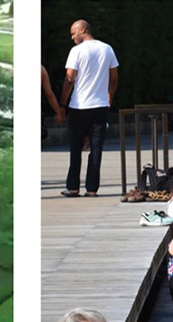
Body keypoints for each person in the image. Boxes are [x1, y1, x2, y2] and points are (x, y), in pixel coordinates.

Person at [60, 20, 119, 198]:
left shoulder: (76, 51)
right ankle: (92, 189)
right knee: (96, 147)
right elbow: (114, 77)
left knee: (75, 148)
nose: (72, 38)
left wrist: (62, 103)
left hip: (79, 105)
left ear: (83, 30)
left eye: (73, 33)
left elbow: (69, 78)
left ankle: (73, 187)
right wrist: (110, 94)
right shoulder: (107, 49)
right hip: (100, 105)